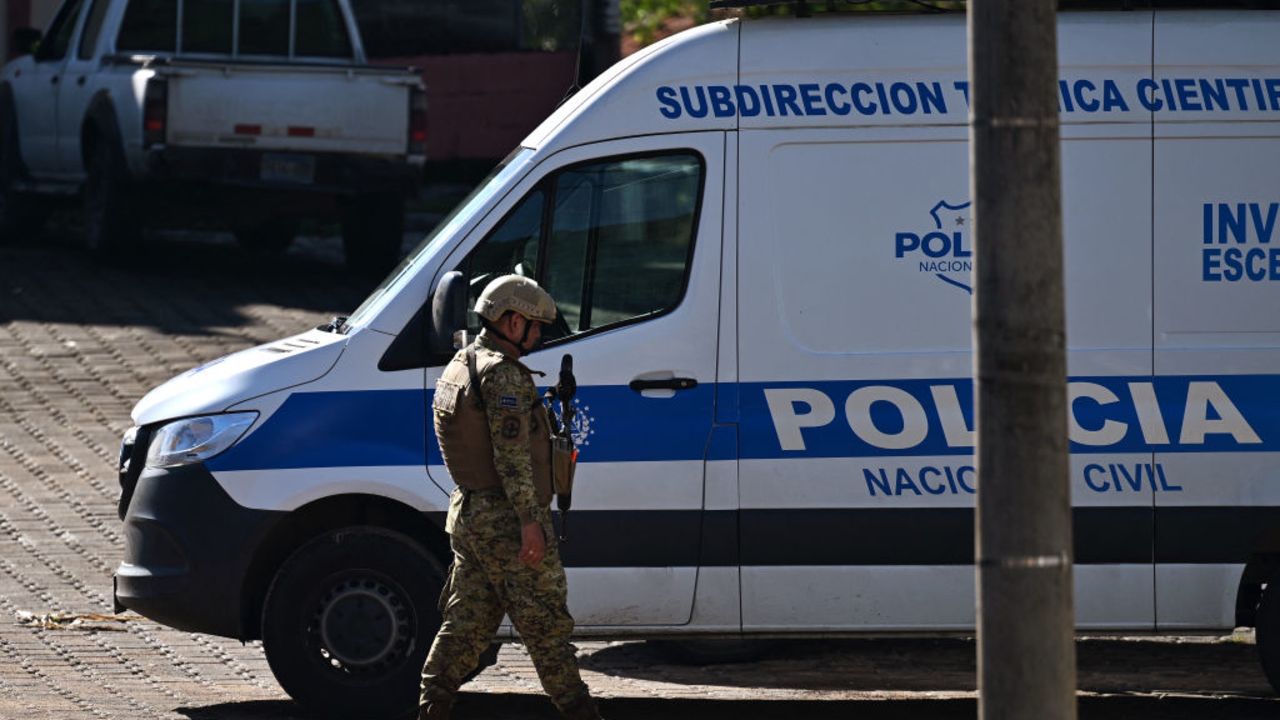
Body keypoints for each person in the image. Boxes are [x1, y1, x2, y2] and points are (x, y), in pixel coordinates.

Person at [420, 275, 603, 720]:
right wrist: (529, 522)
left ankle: (431, 707)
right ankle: (581, 712)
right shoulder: (503, 376)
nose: (538, 335)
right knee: (545, 627)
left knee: (466, 625)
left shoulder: (463, 362)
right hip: (506, 520)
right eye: (535, 326)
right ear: (513, 321)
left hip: (470, 513)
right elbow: (512, 458)